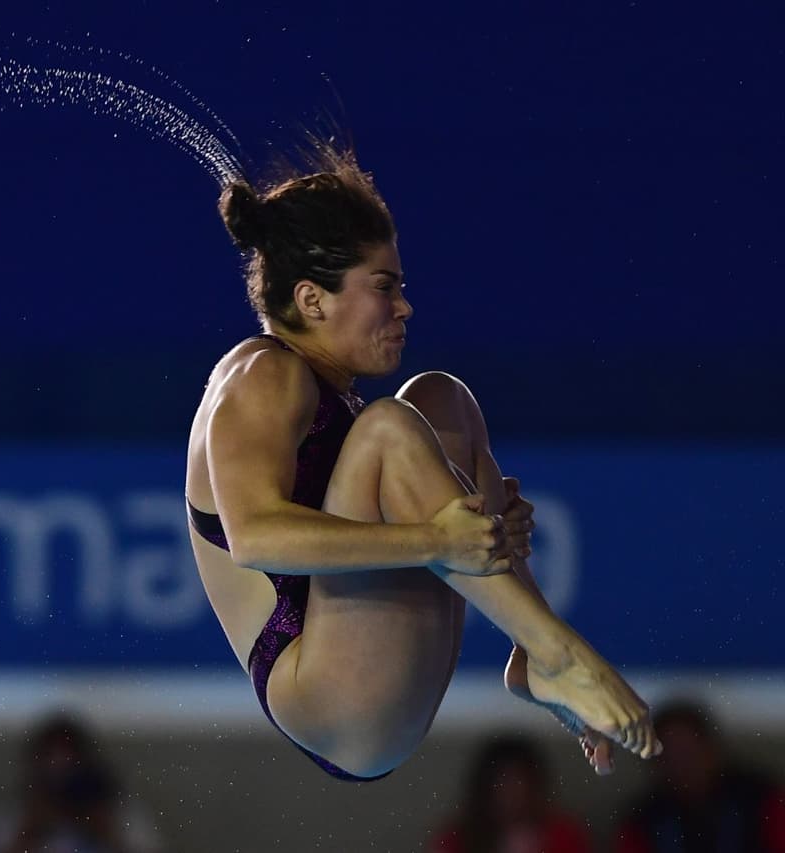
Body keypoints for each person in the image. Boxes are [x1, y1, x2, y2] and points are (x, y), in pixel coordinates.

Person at [184, 136, 661, 783]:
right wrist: (436, 536)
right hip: (327, 696)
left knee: (441, 399)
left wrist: (483, 517)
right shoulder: (261, 374)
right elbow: (255, 535)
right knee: (390, 428)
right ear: (312, 299)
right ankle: (559, 652)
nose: (404, 307)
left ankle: (532, 653)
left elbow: (404, 522)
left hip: (364, 660)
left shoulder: (326, 391)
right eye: (384, 287)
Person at [0, 713, 165, 853]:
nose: (61, 768)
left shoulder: (122, 812)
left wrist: (106, 830)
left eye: (71, 758)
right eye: (50, 757)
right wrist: (30, 830)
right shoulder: (15, 814)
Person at [614, 700, 785, 853]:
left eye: (688, 753)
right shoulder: (644, 819)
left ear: (712, 750)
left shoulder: (761, 800)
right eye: (670, 757)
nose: (682, 766)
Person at [429, 734, 592, 853]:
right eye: (503, 786)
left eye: (519, 785)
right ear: (485, 790)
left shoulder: (564, 833)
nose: (511, 796)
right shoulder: (457, 837)